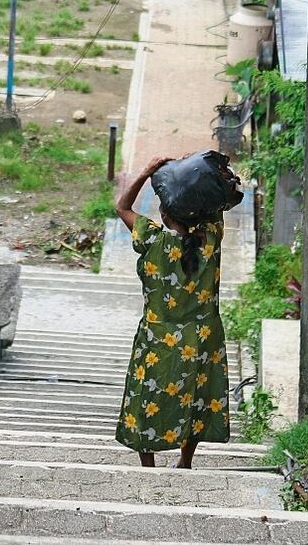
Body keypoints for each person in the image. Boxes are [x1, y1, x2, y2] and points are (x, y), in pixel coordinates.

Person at [114, 157, 231, 468]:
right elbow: (219, 202)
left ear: (164, 215)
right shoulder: (210, 240)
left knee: (148, 397)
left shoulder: (152, 238)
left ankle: (148, 466)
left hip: (157, 338)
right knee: (196, 394)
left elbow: (122, 208)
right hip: (202, 336)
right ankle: (185, 461)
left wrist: (146, 172)